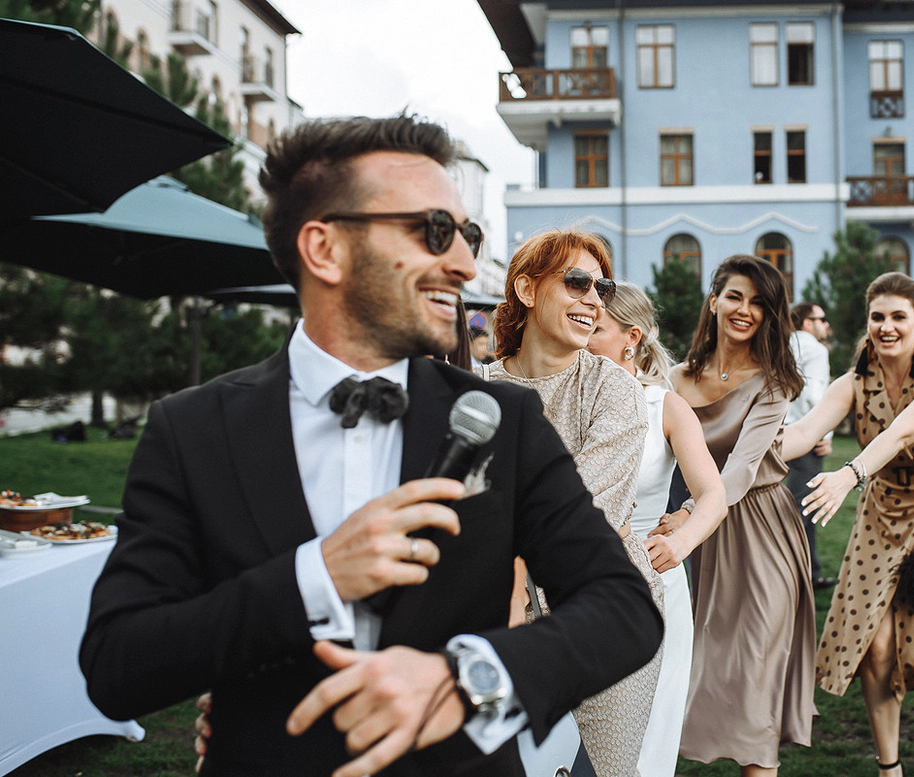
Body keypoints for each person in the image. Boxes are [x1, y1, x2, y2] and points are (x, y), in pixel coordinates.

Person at [79, 115, 662, 777]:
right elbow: (117, 664)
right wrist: (315, 577)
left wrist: (469, 679)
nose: (465, 264)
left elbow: (622, 607)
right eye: (434, 231)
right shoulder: (192, 429)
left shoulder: (506, 418)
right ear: (325, 248)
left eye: (467, 236)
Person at [786, 272, 914, 777]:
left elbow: (902, 432)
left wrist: (847, 475)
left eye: (899, 317)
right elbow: (804, 432)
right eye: (877, 317)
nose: (887, 326)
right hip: (881, 520)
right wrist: (728, 457)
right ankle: (889, 767)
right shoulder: (853, 382)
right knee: (875, 646)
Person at [480, 229, 661, 777]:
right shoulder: (477, 389)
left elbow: (583, 512)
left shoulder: (614, 389)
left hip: (603, 611)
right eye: (577, 282)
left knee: (601, 770)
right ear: (527, 290)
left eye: (602, 288)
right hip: (497, 613)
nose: (593, 299)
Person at [672, 254, 814, 777]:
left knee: (756, 676)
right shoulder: (675, 380)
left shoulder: (774, 382)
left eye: (759, 303)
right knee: (712, 670)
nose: (744, 310)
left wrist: (690, 512)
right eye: (734, 296)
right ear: (713, 301)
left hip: (763, 531)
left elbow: (742, 468)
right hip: (707, 539)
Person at [585, 281, 727, 777]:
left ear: (632, 337)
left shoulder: (664, 407)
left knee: (643, 742)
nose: (583, 336)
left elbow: (713, 494)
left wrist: (681, 540)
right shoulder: (562, 399)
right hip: (568, 585)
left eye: (596, 328)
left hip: (649, 585)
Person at [785, 301, 836, 590]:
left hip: (779, 433)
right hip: (806, 436)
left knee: (797, 504)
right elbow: (815, 395)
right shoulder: (815, 350)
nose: (825, 325)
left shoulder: (784, 346)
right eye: (821, 319)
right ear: (807, 322)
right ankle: (797, 576)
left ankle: (809, 571)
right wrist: (825, 434)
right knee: (805, 507)